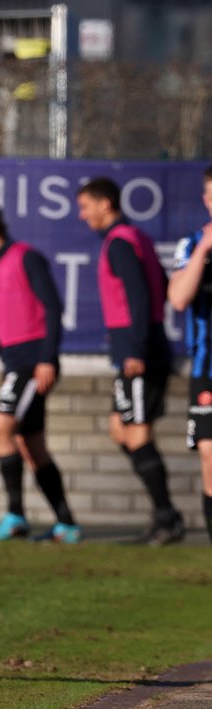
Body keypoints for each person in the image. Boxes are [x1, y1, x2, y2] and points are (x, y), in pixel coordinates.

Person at [0, 201, 81, 544]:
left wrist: (48, 359)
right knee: (31, 446)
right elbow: (0, 322)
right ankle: (66, 524)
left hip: (32, 363)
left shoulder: (26, 257)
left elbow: (53, 307)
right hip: (14, 363)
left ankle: (15, 516)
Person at [77, 176, 185, 545]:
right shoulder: (134, 238)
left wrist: (136, 348)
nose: (83, 215)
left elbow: (139, 297)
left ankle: (167, 518)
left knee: (137, 432)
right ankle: (164, 514)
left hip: (140, 348)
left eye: (86, 206)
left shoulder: (121, 242)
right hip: (133, 346)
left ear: (105, 204)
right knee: (120, 430)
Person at [167, 164, 212, 545]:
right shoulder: (192, 244)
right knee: (211, 458)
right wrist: (203, 250)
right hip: (206, 371)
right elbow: (179, 297)